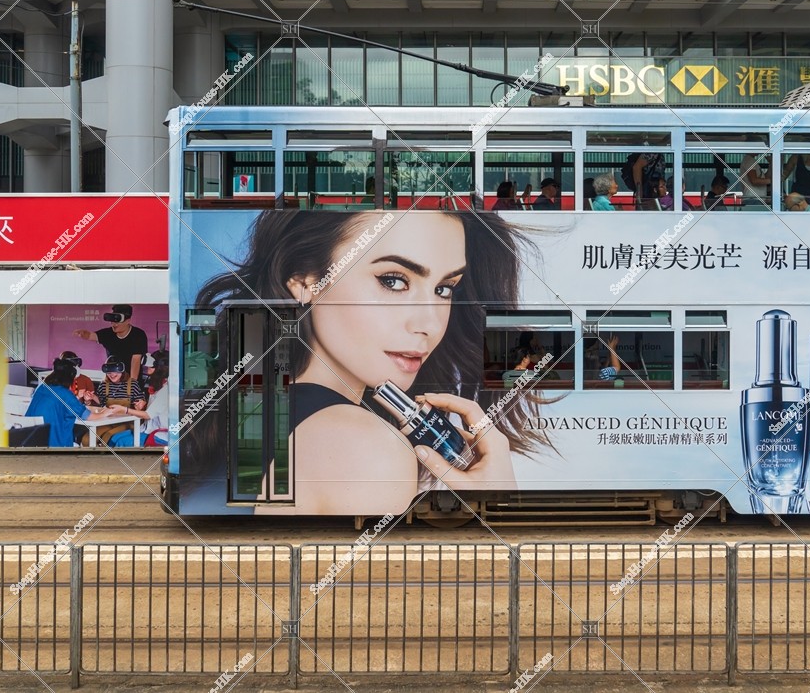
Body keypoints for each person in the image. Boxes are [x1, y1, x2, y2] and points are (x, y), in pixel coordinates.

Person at [192, 210, 556, 515]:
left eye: (445, 289)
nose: (429, 324)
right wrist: (493, 505)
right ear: (305, 280)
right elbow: (381, 596)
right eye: (393, 281)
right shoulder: (363, 445)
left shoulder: (254, 409)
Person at [24, 358, 121, 448]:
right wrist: (105, 412)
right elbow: (88, 417)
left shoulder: (42, 388)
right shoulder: (65, 394)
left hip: (32, 439)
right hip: (54, 442)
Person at [74, 305, 149, 387]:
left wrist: (132, 384)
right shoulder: (108, 334)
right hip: (112, 382)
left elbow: (136, 360)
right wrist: (84, 334)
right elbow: (91, 336)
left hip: (131, 382)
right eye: (112, 321)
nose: (114, 324)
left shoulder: (138, 335)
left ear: (128, 320)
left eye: (117, 321)